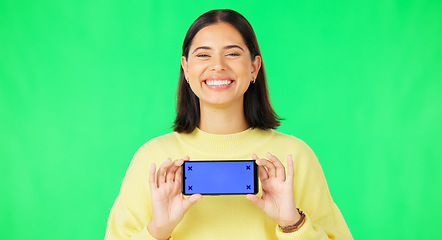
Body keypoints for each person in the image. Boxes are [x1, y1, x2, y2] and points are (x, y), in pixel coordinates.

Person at [105, 9, 353, 240]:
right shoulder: (153, 159)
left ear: (254, 67)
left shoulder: (293, 157)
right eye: (203, 55)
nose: (218, 66)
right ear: (186, 68)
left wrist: (293, 222)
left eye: (232, 53)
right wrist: (158, 229)